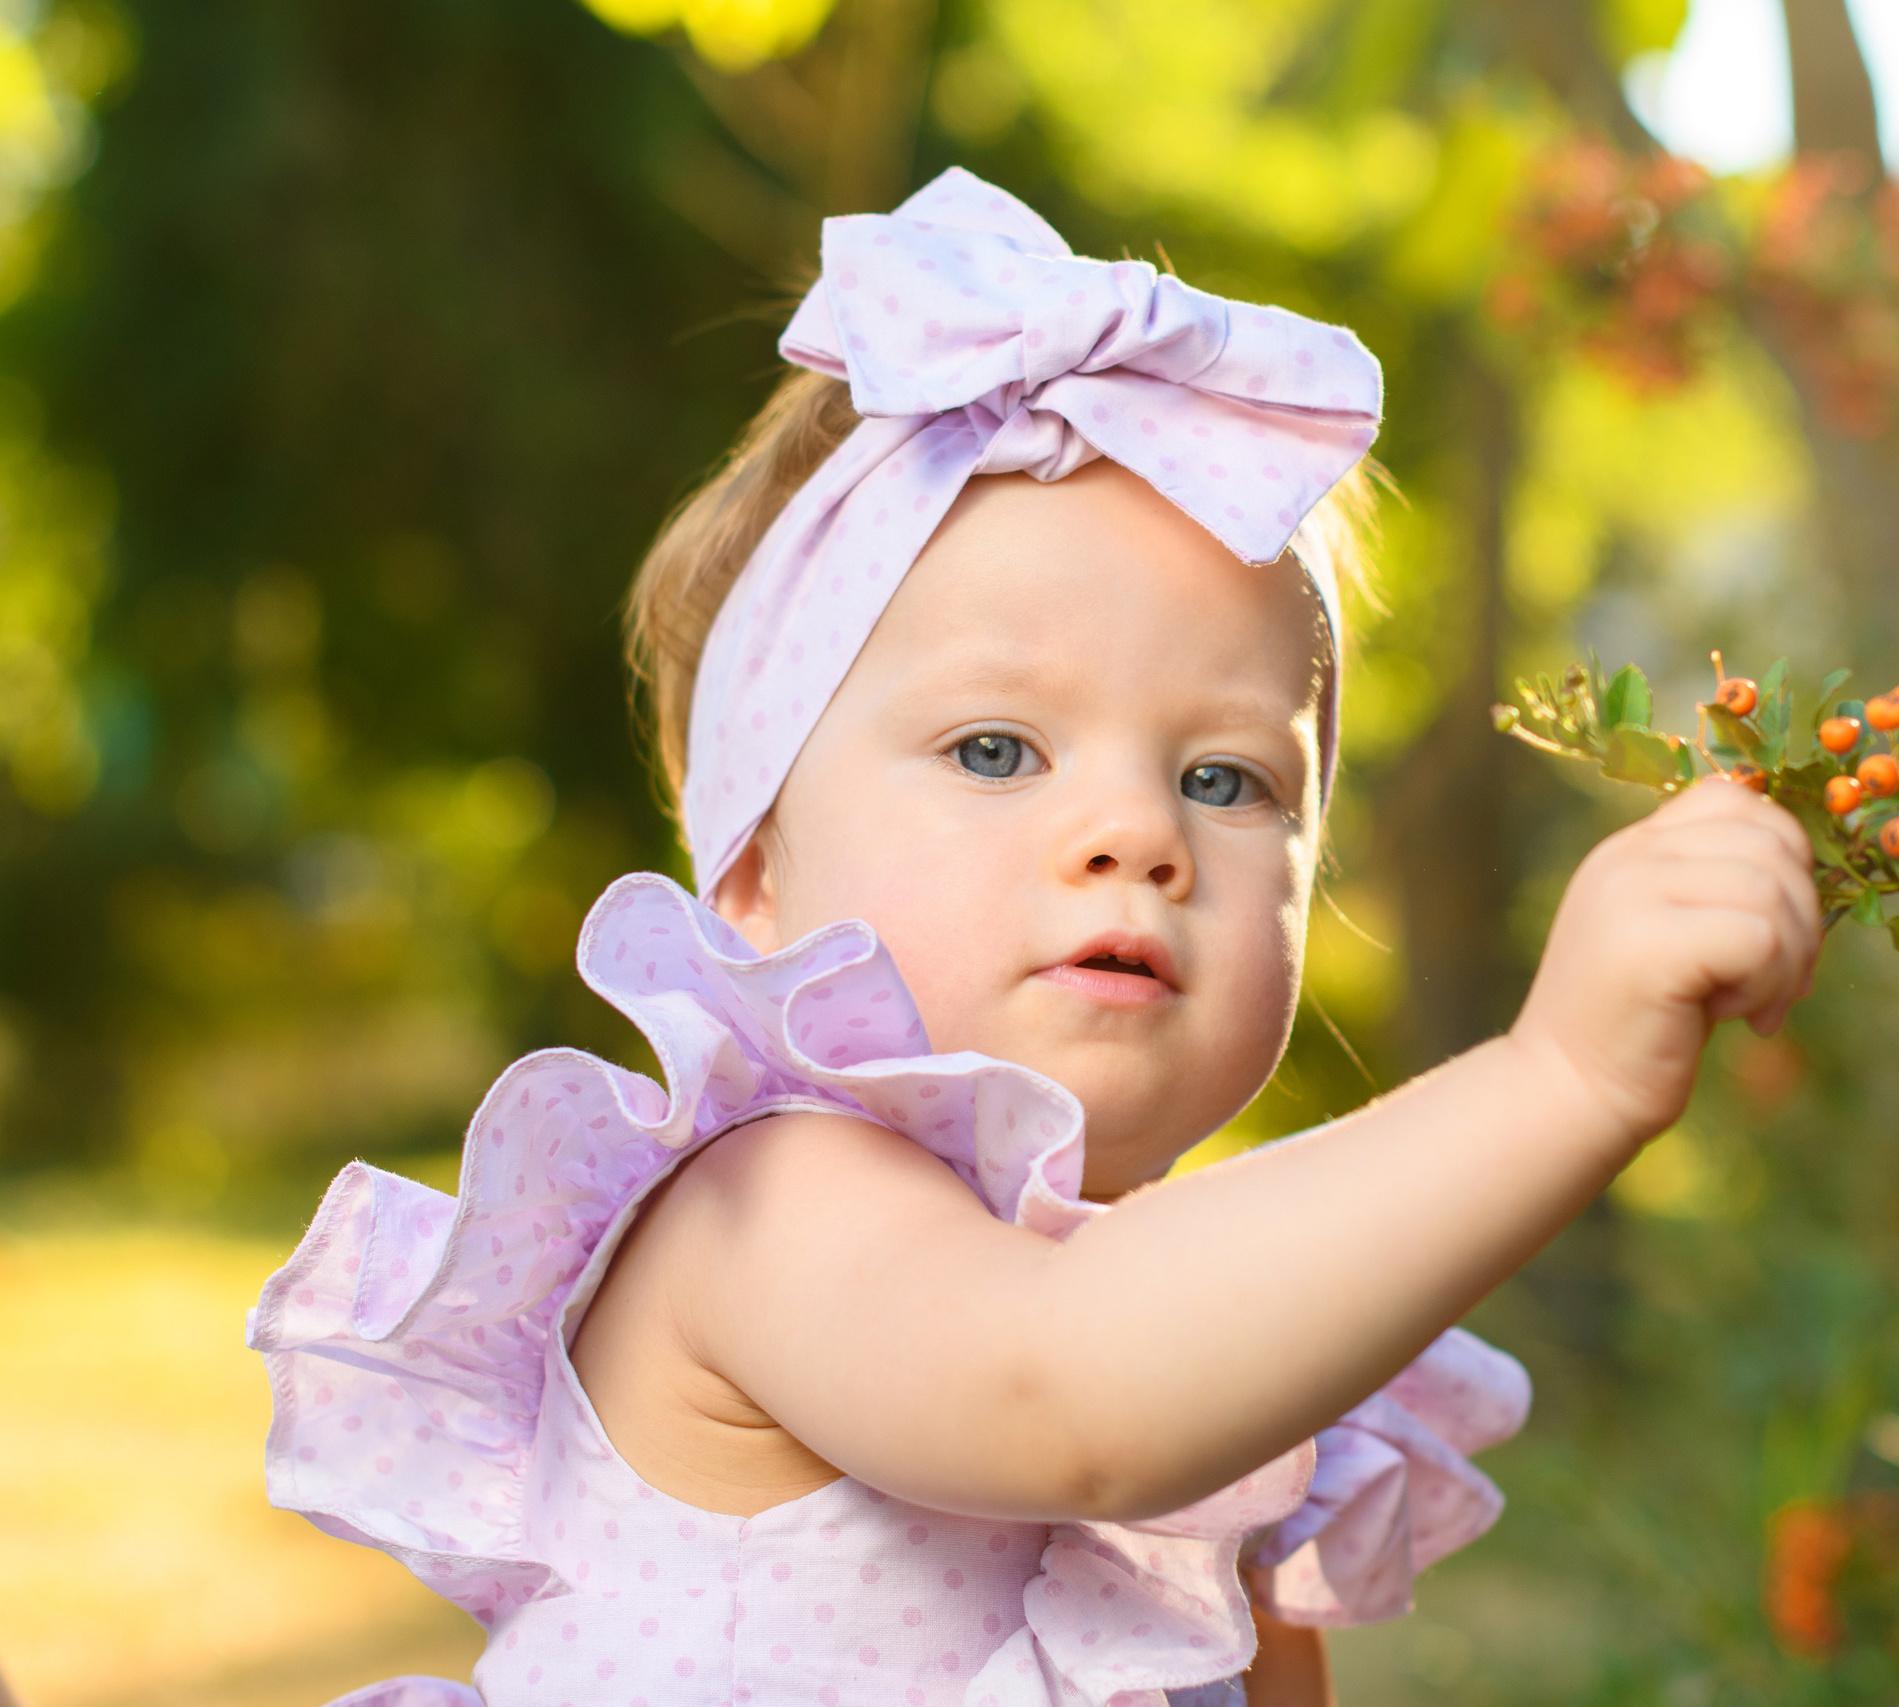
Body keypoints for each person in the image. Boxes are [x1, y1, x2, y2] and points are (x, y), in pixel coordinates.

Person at [249, 169, 1819, 1707]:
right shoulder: (764, 1206)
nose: (1137, 831)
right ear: (752, 871)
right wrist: (1559, 1080)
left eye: (1227, 778)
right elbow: (1065, 1395)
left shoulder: (1212, 1351)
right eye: (996, 750)